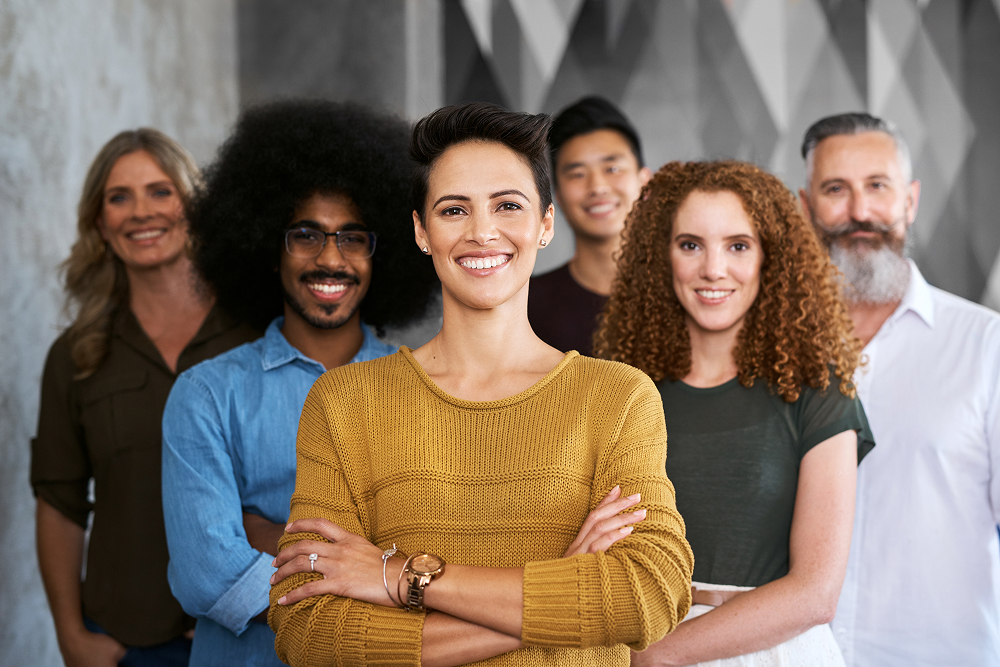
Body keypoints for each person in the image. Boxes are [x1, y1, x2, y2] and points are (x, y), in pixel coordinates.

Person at [267, 101, 694, 667]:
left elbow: (649, 594)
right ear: (421, 231)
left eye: (508, 205)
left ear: (545, 224)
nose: (482, 232)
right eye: (453, 210)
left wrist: (404, 577)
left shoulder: (618, 397)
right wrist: (562, 589)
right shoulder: (345, 402)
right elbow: (307, 629)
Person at [159, 100, 440, 667]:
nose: (331, 258)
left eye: (353, 237)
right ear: (269, 248)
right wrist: (377, 572)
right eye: (306, 235)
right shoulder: (206, 394)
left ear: (382, 252)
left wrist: (267, 533)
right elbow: (206, 573)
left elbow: (452, 548)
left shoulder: (428, 386)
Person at [596, 160, 875, 666]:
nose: (713, 269)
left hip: (771, 652)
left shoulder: (819, 391)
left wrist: (655, 657)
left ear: (772, 258)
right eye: (690, 245)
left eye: (738, 246)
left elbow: (815, 593)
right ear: (660, 257)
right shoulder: (622, 391)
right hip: (635, 635)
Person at [31, 129, 259, 667]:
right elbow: (59, 504)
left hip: (251, 629)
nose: (141, 212)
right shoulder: (77, 355)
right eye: (119, 197)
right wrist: (70, 635)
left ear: (194, 205)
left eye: (160, 191)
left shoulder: (257, 329)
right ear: (100, 223)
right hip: (127, 642)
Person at [799, 112, 1000, 666]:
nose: (859, 211)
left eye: (877, 186)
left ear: (909, 201)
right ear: (805, 205)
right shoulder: (767, 351)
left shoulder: (987, 347)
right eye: (835, 189)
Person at [527, 96, 651, 355]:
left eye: (612, 168)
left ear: (645, 181)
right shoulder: (526, 307)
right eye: (578, 174)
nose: (597, 187)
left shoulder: (689, 291)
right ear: (557, 196)